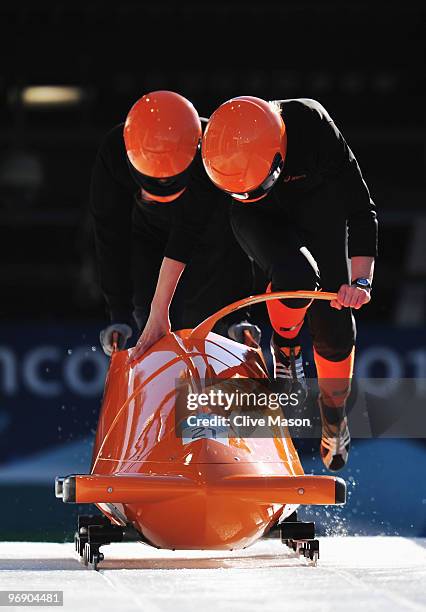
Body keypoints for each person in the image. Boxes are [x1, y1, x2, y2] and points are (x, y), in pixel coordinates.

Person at [202, 96, 378, 471]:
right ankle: (285, 348)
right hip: (257, 216)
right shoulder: (221, 141)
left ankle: (334, 416)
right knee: (296, 276)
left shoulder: (314, 127)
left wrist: (361, 281)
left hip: (317, 205)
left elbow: (361, 210)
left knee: (333, 321)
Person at [90, 90, 259, 362]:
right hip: (148, 234)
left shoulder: (215, 150)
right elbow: (110, 234)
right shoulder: (112, 154)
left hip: (209, 234)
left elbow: (208, 232)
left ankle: (225, 350)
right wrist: (118, 311)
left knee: (205, 317)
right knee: (150, 323)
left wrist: (236, 314)